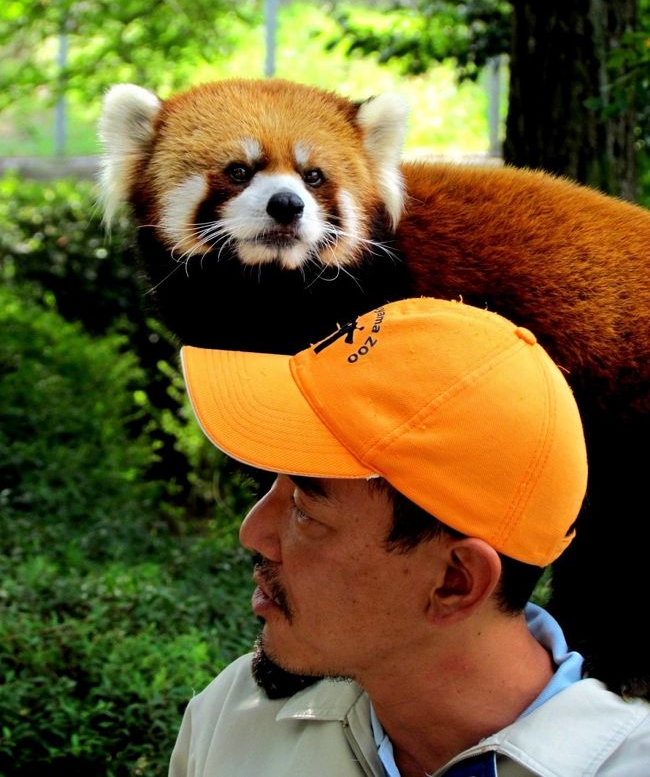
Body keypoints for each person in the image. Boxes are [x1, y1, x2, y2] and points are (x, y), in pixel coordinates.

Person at [169, 297, 650, 777]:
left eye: (304, 509)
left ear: (455, 581)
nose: (252, 533)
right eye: (275, 484)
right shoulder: (233, 720)